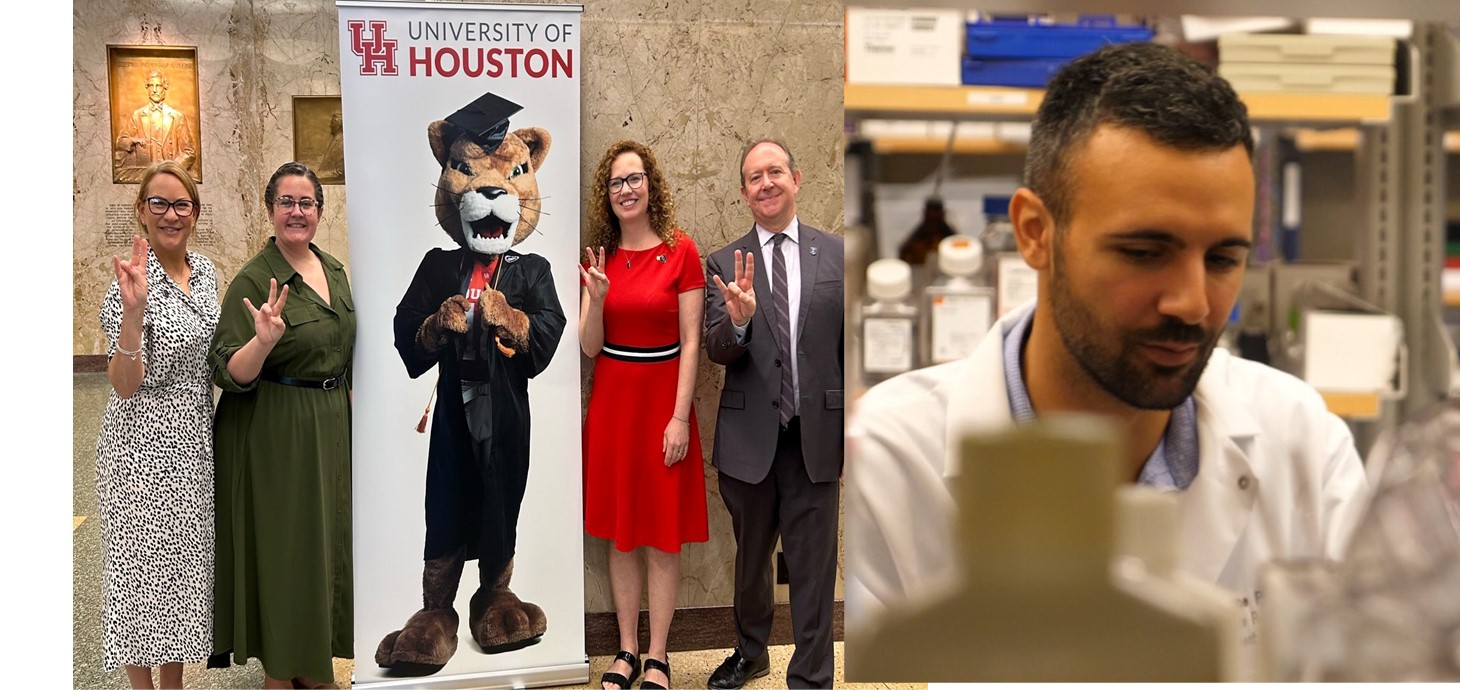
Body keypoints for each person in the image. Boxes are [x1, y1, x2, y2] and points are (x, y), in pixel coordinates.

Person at [846, 43, 1370, 639]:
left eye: (1223, 258)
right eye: (1145, 253)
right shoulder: (886, 462)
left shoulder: (1302, 440)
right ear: (1035, 234)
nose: (1193, 303)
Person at [705, 139, 845, 689]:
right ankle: (750, 651)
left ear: (797, 178)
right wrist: (738, 321)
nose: (766, 183)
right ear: (743, 193)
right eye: (754, 177)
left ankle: (811, 678)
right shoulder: (724, 262)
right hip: (749, 441)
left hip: (819, 438)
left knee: (814, 569)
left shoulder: (837, 254)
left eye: (775, 172)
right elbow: (718, 349)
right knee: (751, 562)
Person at [208, 162, 355, 689]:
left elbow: (344, 350)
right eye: (286, 202)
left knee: (325, 549)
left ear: (320, 210)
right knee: (290, 552)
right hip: (279, 431)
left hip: (330, 423)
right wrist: (263, 341)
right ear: (270, 210)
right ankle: (285, 673)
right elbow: (229, 370)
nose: (297, 212)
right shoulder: (254, 277)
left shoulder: (333, 269)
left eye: (306, 203)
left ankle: (310, 665)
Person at [580, 141, 709, 690]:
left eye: (634, 179)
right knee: (621, 534)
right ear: (606, 197)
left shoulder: (682, 252)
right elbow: (589, 347)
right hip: (613, 403)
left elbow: (692, 340)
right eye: (616, 183)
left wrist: (679, 418)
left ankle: (658, 655)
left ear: (651, 185)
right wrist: (598, 295)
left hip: (663, 404)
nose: (626, 190)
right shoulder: (599, 259)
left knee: (660, 533)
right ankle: (627, 650)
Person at [95, 160, 219, 690]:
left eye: (181, 204)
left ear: (194, 212)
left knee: (179, 578)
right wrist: (132, 312)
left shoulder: (208, 271)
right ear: (141, 211)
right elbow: (123, 383)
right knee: (138, 577)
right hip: (138, 448)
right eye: (159, 204)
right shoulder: (127, 284)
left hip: (192, 440)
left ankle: (174, 685)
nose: (171, 214)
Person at [115, 69, 198, 183]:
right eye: (151, 86)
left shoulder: (177, 117)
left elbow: (190, 152)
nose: (154, 90)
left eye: (158, 85)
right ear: (147, 88)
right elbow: (120, 142)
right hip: (143, 177)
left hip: (171, 178)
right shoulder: (137, 115)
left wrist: (171, 171)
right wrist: (132, 141)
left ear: (164, 87)